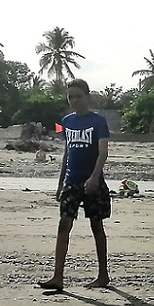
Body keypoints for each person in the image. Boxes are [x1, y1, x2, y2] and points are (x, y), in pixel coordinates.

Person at [39, 79, 111, 291]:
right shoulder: (67, 121)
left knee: (96, 225)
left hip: (93, 181)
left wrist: (94, 177)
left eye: (78, 96)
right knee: (64, 224)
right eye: (71, 96)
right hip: (71, 181)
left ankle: (103, 275)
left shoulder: (98, 121)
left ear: (87, 97)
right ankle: (57, 277)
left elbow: (103, 152)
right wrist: (60, 183)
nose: (74, 100)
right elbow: (67, 153)